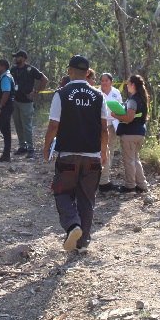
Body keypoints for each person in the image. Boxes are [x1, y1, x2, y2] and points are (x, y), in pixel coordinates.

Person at [43, 55, 109, 254]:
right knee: (87, 198)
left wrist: (46, 148)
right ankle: (83, 243)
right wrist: (103, 151)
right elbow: (104, 129)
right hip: (92, 157)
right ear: (88, 73)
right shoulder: (99, 96)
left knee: (62, 192)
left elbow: (54, 125)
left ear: (69, 71)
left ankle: (72, 225)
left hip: (68, 156)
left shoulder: (61, 94)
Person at [110, 74, 149, 193]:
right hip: (140, 133)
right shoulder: (143, 98)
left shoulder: (133, 100)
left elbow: (129, 118)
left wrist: (115, 115)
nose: (127, 86)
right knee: (135, 159)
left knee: (129, 160)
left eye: (128, 84)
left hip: (130, 133)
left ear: (133, 85)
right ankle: (141, 185)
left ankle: (130, 185)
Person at [10, 49, 49, 158]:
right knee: (18, 125)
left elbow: (44, 79)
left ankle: (31, 148)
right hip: (15, 101)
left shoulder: (31, 70)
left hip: (26, 102)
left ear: (22, 58)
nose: (15, 59)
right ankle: (22, 146)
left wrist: (36, 91)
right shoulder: (13, 70)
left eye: (17, 57)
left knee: (27, 126)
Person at [98, 73, 123, 192]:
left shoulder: (116, 92)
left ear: (111, 81)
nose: (104, 83)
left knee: (111, 151)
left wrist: (117, 115)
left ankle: (105, 178)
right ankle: (100, 179)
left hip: (113, 124)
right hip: (101, 126)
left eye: (106, 80)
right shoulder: (97, 92)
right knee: (103, 151)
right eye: (102, 81)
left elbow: (121, 107)